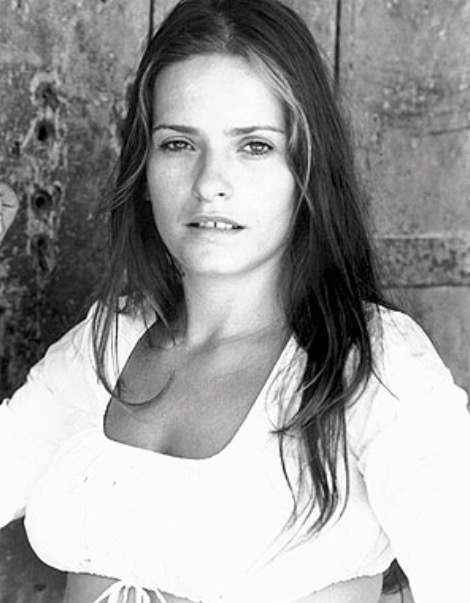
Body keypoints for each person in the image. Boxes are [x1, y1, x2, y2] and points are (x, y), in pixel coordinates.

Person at [1, 1, 469, 602]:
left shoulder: (372, 363)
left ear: (307, 169)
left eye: (254, 146)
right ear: (144, 170)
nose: (209, 184)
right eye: (178, 144)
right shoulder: (108, 341)